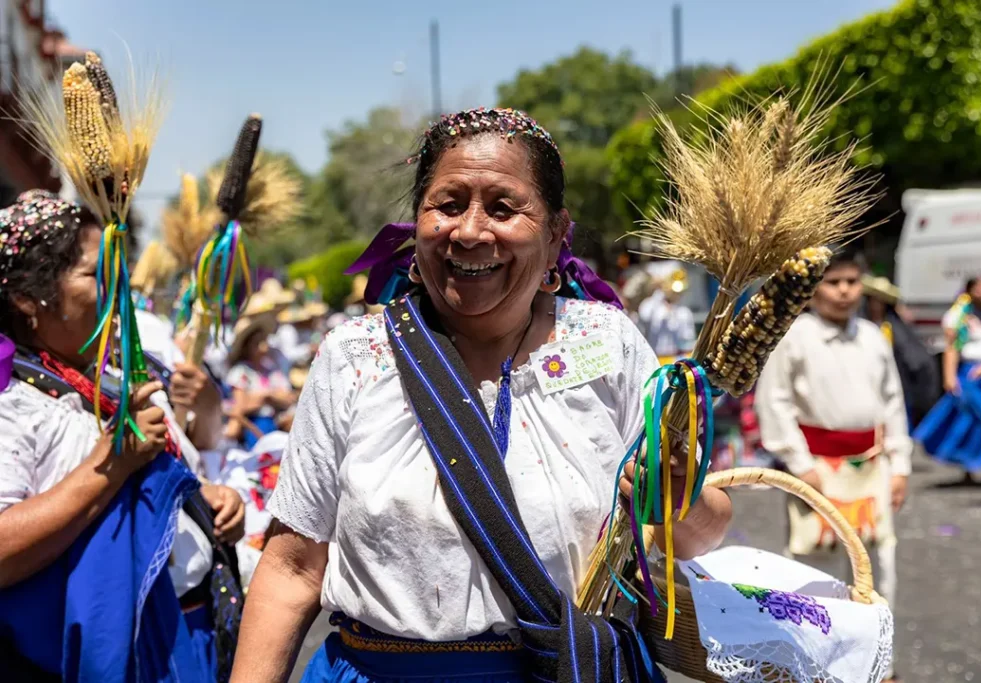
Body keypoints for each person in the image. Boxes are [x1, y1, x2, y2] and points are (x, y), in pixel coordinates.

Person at [230, 108, 732, 683]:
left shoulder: (606, 344)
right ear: (417, 221)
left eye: (502, 207)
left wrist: (675, 501)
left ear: (555, 235)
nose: (469, 231)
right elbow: (293, 568)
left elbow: (703, 531)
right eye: (447, 205)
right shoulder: (354, 357)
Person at [0, 191, 244, 681]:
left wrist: (208, 500)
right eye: (95, 275)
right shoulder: (12, 401)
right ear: (28, 297)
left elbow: (185, 464)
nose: (117, 291)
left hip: (192, 633)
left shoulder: (119, 372)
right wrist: (112, 463)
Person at [755, 251, 910, 683]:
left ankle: (878, 664)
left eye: (852, 281)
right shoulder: (794, 337)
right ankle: (817, 663)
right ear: (812, 289)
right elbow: (775, 402)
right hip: (818, 469)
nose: (844, 291)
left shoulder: (874, 337)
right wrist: (801, 465)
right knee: (814, 568)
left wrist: (899, 463)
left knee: (877, 564)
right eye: (832, 282)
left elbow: (893, 402)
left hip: (870, 467)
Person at [914, 277, 981, 486]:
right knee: (967, 424)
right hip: (971, 375)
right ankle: (969, 469)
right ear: (970, 291)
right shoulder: (959, 317)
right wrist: (949, 376)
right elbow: (952, 347)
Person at [861, 275, 941, 428]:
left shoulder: (894, 327)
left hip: (894, 379)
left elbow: (913, 356)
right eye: (873, 299)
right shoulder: (861, 325)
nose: (876, 305)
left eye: (881, 301)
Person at [226, 315, 296, 448]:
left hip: (277, 424)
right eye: (257, 343)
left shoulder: (270, 368)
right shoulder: (241, 371)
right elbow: (240, 406)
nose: (263, 347)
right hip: (255, 426)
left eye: (264, 341)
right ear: (247, 347)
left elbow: (287, 397)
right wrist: (266, 397)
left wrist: (267, 397)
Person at [636, 268, 697, 364]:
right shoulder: (652, 305)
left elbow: (688, 340)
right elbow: (644, 315)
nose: (676, 294)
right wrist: (657, 291)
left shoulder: (684, 311)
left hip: (676, 360)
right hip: (655, 359)